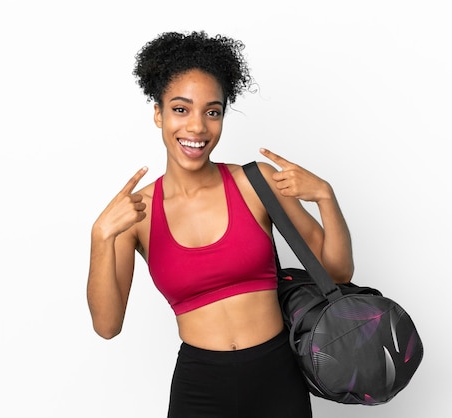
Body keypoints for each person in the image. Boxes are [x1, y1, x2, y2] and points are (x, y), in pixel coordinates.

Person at [86, 30, 354, 417]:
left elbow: (338, 273)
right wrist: (100, 237)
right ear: (158, 113)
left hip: (278, 378)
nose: (197, 127)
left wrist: (326, 198)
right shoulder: (135, 214)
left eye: (212, 112)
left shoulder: (255, 183)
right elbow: (107, 326)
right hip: (200, 388)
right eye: (181, 109)